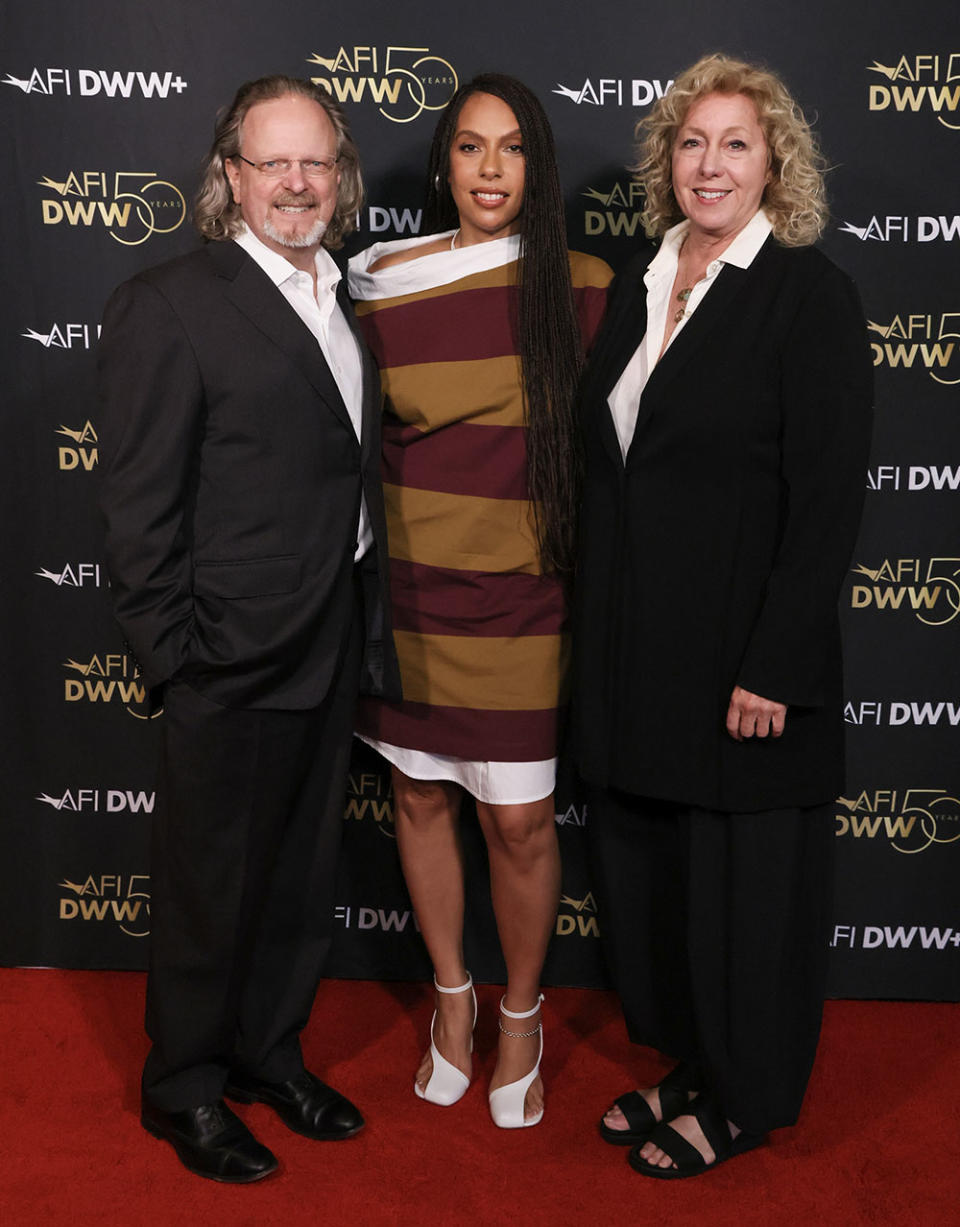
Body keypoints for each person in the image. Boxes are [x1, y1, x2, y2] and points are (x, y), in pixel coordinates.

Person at [572, 53, 872, 1177]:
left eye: (736, 144)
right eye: (693, 143)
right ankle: (698, 1066)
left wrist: (778, 665)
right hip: (640, 658)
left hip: (746, 666)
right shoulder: (647, 279)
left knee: (747, 897)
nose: (710, 164)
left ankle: (746, 1099)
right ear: (668, 161)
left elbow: (828, 497)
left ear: (774, 163)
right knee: (666, 891)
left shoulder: (809, 293)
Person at [97, 75, 400, 1183]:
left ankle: (271, 1054)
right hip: (223, 655)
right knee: (206, 888)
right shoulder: (170, 301)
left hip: (330, 643)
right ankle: (183, 1086)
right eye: (272, 163)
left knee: (295, 877)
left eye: (314, 162)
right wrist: (174, 658)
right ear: (230, 177)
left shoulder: (344, 298)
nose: (295, 183)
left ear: (340, 174)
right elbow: (137, 507)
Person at [348, 73, 611, 1128]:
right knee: (417, 798)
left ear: (536, 166)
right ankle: (452, 1004)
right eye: (469, 147)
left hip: (526, 605)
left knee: (518, 820)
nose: (490, 170)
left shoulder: (586, 286)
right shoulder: (380, 284)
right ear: (443, 164)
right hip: (409, 591)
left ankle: (522, 1016)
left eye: (510, 149)